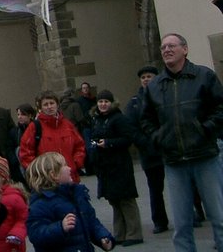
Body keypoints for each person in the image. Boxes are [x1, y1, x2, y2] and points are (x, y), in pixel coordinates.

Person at [140, 32, 223, 252]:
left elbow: (220, 109)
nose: (166, 50)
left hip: (205, 156)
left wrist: (205, 129)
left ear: (185, 50)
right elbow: (146, 120)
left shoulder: (204, 76)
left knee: (220, 218)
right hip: (174, 160)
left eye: (171, 46)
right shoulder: (155, 86)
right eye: (163, 47)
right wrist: (159, 137)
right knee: (182, 225)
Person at [25, 152, 114, 252]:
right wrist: (60, 227)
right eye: (65, 166)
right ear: (54, 175)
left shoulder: (76, 195)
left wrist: (102, 236)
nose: (70, 168)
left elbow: (91, 221)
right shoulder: (40, 204)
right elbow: (36, 235)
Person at [90, 90, 142, 246]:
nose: (103, 104)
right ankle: (120, 234)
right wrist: (95, 145)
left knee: (126, 199)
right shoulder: (97, 119)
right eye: (100, 102)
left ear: (111, 103)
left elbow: (128, 138)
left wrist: (108, 143)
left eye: (106, 101)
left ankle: (134, 233)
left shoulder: (119, 118)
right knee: (114, 201)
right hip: (105, 166)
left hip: (120, 164)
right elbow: (93, 138)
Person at [124, 65, 169, 234]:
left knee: (182, 186)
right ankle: (159, 221)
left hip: (169, 149)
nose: (146, 79)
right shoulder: (135, 103)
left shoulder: (166, 96)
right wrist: (146, 143)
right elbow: (131, 128)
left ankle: (194, 213)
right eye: (143, 77)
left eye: (149, 76)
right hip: (149, 153)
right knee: (155, 190)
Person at [18, 91, 85, 182]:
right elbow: (26, 153)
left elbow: (79, 145)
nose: (49, 107)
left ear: (57, 105)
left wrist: (76, 163)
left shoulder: (68, 125)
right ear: (40, 108)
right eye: (45, 104)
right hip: (47, 180)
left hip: (70, 177)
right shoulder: (34, 127)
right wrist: (39, 172)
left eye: (52, 103)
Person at [10, 105, 35, 184]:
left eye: (23, 114)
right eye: (18, 114)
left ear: (30, 115)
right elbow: (9, 148)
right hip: (20, 166)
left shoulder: (37, 129)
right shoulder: (14, 132)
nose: (20, 117)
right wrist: (14, 161)